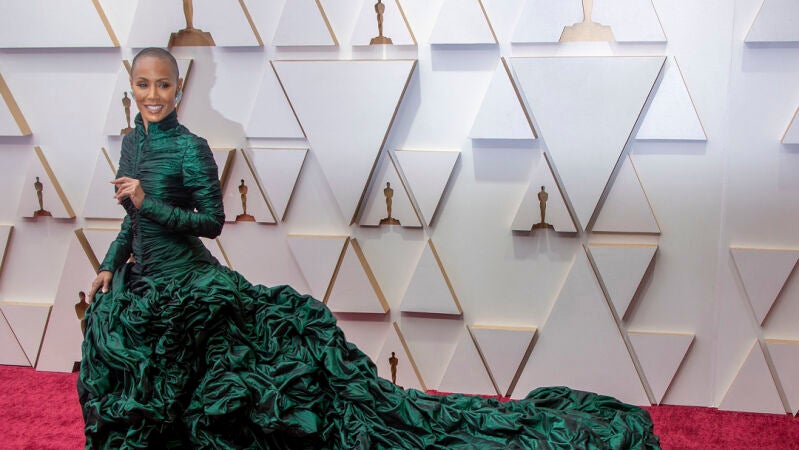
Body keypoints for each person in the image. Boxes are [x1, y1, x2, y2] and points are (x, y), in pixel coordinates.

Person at [78, 47, 660, 449]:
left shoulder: (192, 148)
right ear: (132, 86)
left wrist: (149, 200)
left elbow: (210, 223)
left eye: (163, 84)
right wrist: (108, 265)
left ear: (179, 88)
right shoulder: (130, 144)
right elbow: (131, 220)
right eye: (143, 84)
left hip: (193, 288)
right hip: (145, 286)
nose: (153, 94)